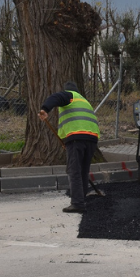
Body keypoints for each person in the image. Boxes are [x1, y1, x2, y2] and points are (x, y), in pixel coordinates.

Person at [39, 81, 99, 214]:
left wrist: (45, 109)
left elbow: (55, 97)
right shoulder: (84, 101)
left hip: (77, 138)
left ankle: (77, 203)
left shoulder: (69, 96)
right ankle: (81, 198)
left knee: (74, 170)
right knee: (83, 171)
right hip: (92, 139)